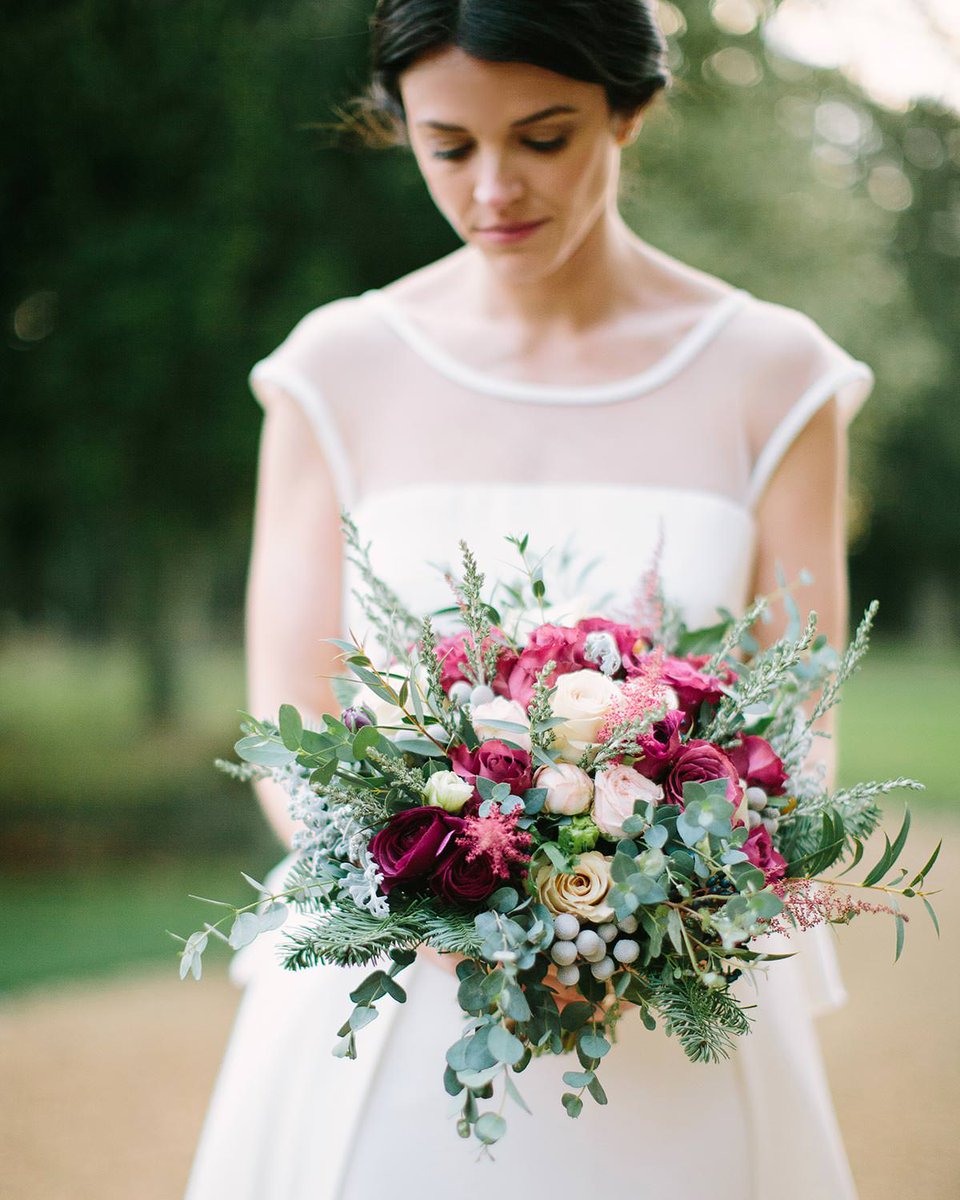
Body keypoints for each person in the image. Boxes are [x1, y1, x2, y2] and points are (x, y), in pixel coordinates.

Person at [185, 2, 874, 1197]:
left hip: (675, 992)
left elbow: (800, 724)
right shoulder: (334, 370)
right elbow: (289, 721)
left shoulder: (775, 373)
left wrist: (639, 908)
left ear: (629, 111)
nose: (494, 187)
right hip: (397, 999)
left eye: (543, 137)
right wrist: (450, 909)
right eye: (449, 147)